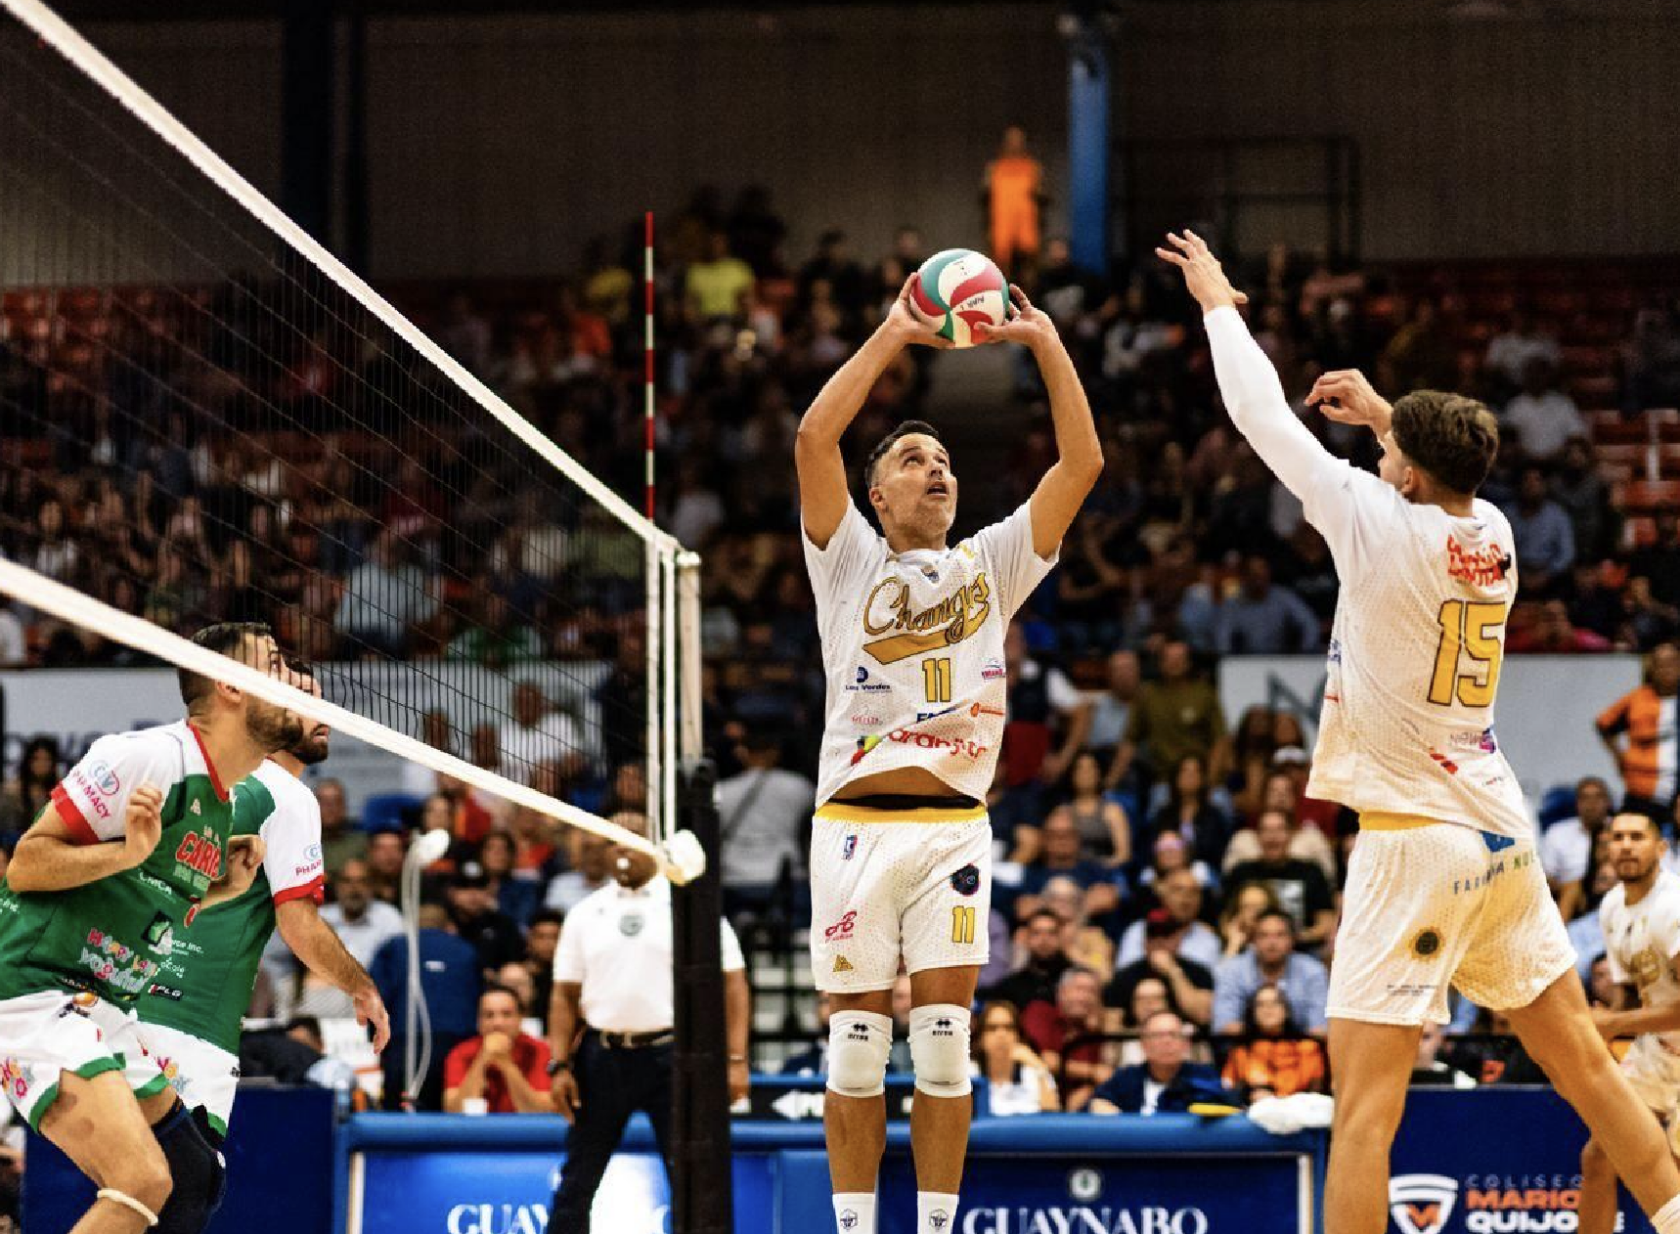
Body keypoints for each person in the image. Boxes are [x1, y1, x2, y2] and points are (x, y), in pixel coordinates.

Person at [1160, 228, 1680, 1234]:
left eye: (1388, 450)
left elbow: (1260, 414)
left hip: (1411, 845)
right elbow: (1452, 456)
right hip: (1497, 824)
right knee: (1582, 1061)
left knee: (1363, 1110)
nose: (1377, 454)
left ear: (1400, 472)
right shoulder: (1493, 532)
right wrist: (1393, 418)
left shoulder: (1373, 517)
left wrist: (1220, 300)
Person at [796, 265, 1099, 1234]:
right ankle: (851, 1227)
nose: (937, 470)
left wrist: (1046, 343)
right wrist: (894, 331)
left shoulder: (990, 563)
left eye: (944, 460)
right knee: (850, 1050)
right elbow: (813, 437)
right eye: (915, 459)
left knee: (940, 1044)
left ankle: (933, 1226)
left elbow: (1081, 464)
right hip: (851, 826)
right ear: (878, 494)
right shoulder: (847, 560)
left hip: (953, 832)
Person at [0, 622, 300, 1234]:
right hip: (31, 990)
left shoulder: (220, 801)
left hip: (100, 1003)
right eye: (275, 665)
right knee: (142, 1180)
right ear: (230, 685)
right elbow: (27, 866)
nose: (294, 681)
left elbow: (149, 899)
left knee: (192, 1175)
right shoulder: (149, 758)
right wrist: (124, 854)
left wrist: (225, 888)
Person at [137, 667, 390, 1142]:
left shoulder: (206, 780)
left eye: (323, 700)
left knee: (151, 1185)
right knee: (182, 1186)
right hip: (189, 1023)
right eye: (303, 700)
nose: (323, 712)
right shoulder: (286, 795)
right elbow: (299, 925)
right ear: (264, 711)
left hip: (138, 1002)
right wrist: (363, 988)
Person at [547, 816, 750, 1233]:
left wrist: (735, 1059)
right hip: (600, 1060)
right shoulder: (585, 913)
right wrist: (559, 1065)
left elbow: (733, 986)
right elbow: (564, 996)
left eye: (632, 839)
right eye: (612, 842)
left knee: (693, 1182)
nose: (622, 849)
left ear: (656, 845)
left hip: (672, 1058)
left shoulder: (691, 906)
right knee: (576, 1183)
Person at [1580, 813, 1680, 1234]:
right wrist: (1594, 1026)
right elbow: (1628, 995)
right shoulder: (1611, 906)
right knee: (1600, 1155)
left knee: (1670, 1172)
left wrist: (1612, 1023)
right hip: (1657, 1050)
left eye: (1637, 837)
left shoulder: (1672, 906)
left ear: (1660, 849)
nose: (1624, 845)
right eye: (1617, 837)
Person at [370, 904, 482, 1111]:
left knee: (399, 1124)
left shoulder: (394, 948)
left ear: (410, 925)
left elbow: (373, 1000)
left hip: (405, 1047)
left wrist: (378, 1044)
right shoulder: (466, 951)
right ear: (448, 926)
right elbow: (479, 1000)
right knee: (453, 1119)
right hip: (457, 1049)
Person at [717, 728, 814, 919]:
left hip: (733, 877)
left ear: (741, 753)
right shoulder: (800, 787)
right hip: (785, 875)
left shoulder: (721, 792)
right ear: (775, 752)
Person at [1223, 809, 1336, 950]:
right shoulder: (1241, 872)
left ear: (1291, 835)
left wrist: (1290, 939)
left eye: (1279, 830)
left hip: (1302, 951)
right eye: (1266, 830)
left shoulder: (1311, 871)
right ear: (1257, 836)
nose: (1272, 837)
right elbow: (1225, 919)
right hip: (1249, 951)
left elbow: (1326, 921)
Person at [1212, 909, 1330, 1038]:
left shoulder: (1312, 971)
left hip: (1301, 1052)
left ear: (1292, 939)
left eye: (1280, 935)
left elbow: (1320, 1030)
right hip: (1245, 1050)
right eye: (1263, 935)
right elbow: (1224, 1026)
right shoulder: (1233, 970)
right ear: (1253, 941)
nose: (1271, 943)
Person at [1598, 643, 1680, 826]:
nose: (1667, 669)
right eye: (1661, 664)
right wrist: (1619, 756)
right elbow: (1604, 725)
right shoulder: (1637, 699)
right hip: (1642, 790)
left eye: (1672, 662)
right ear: (1651, 667)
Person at [1088, 1010, 1230, 1115]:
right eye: (1157, 1036)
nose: (1166, 1041)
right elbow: (1096, 1103)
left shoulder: (1204, 1076)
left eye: (1173, 1035)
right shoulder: (1126, 1077)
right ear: (1144, 1045)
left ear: (1186, 1044)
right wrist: (1098, 1105)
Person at [442, 985, 554, 1114]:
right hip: (478, 1131)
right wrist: (482, 1059)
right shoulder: (460, 1053)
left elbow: (541, 1112)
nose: (497, 1023)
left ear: (520, 1018)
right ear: (478, 1022)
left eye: (507, 1014)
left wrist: (506, 1064)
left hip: (526, 1131)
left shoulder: (539, 1051)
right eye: (489, 1015)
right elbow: (454, 1111)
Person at [1220, 984, 1327, 1100]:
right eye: (1261, 1004)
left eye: (1275, 1003)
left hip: (1299, 1110)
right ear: (1253, 1012)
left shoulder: (1308, 1048)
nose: (1268, 1009)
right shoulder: (1240, 1051)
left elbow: (1316, 1093)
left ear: (1286, 1011)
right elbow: (1227, 1087)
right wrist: (1248, 1094)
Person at [971, 1000, 1059, 1115]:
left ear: (1018, 1036)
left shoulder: (1033, 1071)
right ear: (981, 1039)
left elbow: (1051, 1116)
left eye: (1008, 1028)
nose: (1001, 1035)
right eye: (992, 1028)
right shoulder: (968, 1073)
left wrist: (1038, 1066)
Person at [983, 908, 1072, 1012]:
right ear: (1025, 938)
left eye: (1051, 933)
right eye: (1036, 933)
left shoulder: (1076, 982)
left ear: (1061, 937)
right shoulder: (1009, 987)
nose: (1044, 940)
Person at [320, 859, 405, 969]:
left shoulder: (389, 918)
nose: (354, 888)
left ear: (372, 886)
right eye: (347, 881)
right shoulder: (320, 917)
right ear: (337, 886)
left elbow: (398, 964)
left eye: (362, 881)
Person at [983, 125, 1044, 276]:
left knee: (1029, 263)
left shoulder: (1033, 167)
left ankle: (1028, 298)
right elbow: (985, 198)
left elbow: (1043, 195)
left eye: (1018, 140)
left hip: (1026, 223)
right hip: (1002, 223)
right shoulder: (994, 168)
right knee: (1000, 265)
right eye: (1011, 140)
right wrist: (988, 226)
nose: (1015, 143)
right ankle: (1001, 297)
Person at [1543, 777, 1616, 894]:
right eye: (1585, 798)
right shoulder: (1557, 832)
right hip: (1568, 896)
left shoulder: (1622, 829)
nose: (1592, 804)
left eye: (1598, 797)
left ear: (1608, 802)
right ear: (1576, 803)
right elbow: (1547, 877)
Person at [315, 777, 365, 876]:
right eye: (324, 802)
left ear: (344, 807)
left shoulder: (361, 844)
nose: (330, 808)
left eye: (335, 802)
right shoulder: (299, 845)